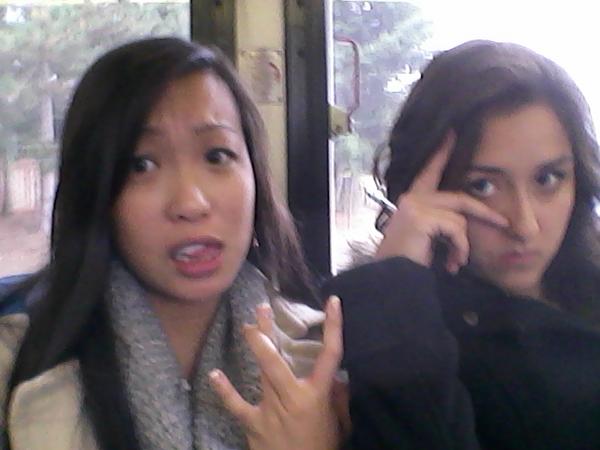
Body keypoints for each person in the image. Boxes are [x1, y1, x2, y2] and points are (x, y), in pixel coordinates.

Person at [0, 37, 344, 450]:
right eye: (141, 165)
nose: (191, 203)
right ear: (96, 193)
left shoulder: (324, 362)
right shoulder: (14, 363)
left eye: (217, 156)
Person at [325, 40, 600, 450]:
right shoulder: (397, 335)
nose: (524, 226)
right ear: (426, 191)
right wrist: (394, 286)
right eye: (482, 186)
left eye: (547, 179)